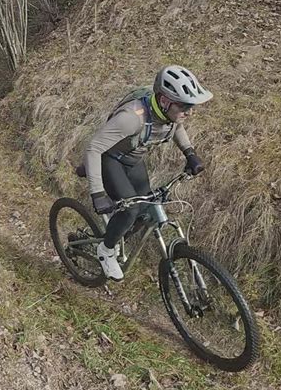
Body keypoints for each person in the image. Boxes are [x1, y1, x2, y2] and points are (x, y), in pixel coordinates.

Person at [84, 65, 213, 281]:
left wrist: (189, 153)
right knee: (131, 210)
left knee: (146, 208)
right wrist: (97, 193)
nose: (189, 112)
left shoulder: (167, 114)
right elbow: (94, 148)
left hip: (133, 160)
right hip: (110, 160)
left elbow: (176, 127)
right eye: (184, 106)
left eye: (191, 106)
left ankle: (116, 232)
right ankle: (106, 250)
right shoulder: (132, 118)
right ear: (164, 101)